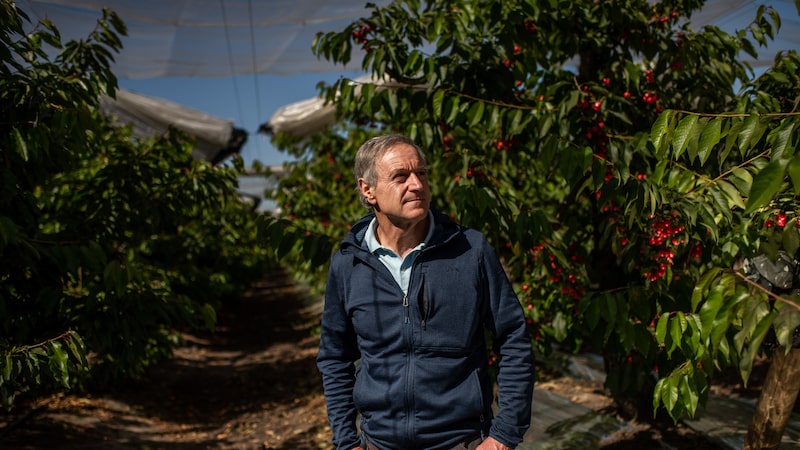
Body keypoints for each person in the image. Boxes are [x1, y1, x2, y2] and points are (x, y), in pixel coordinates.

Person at [316, 134, 535, 450]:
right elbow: (335, 356)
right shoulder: (348, 264)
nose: (417, 185)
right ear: (368, 190)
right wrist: (347, 440)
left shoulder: (469, 250)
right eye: (400, 177)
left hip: (460, 440)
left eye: (421, 174)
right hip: (380, 442)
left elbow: (513, 336)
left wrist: (504, 435)